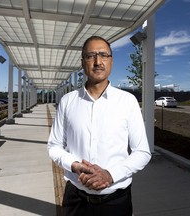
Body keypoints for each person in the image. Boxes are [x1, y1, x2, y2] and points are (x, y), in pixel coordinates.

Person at [47, 36, 151, 216]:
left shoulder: (127, 101)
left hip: (116, 202)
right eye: (91, 56)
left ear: (111, 61)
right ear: (82, 62)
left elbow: (142, 152)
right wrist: (73, 165)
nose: (98, 62)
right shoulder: (67, 101)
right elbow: (54, 146)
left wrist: (110, 174)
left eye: (104, 55)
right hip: (75, 200)